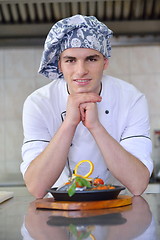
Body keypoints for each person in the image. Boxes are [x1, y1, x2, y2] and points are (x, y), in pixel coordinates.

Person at [20, 15, 153, 198]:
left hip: (115, 213)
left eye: (91, 59)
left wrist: (95, 126)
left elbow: (138, 184)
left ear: (105, 62)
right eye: (70, 60)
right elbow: (36, 187)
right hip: (57, 214)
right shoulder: (38, 103)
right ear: (59, 65)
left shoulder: (131, 99)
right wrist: (69, 123)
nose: (81, 70)